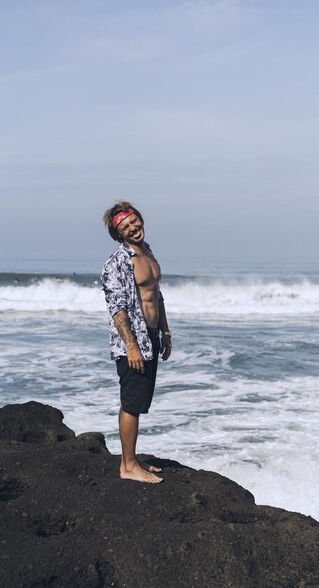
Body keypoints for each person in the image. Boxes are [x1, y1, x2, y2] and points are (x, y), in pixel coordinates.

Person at [101, 201, 172, 484]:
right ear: (119, 234)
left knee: (140, 401)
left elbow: (156, 296)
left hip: (151, 337)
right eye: (125, 226)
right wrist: (130, 345)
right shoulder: (116, 262)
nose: (133, 227)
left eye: (134, 221)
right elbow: (116, 308)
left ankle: (132, 459)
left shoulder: (148, 253)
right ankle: (128, 466)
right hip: (132, 342)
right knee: (131, 402)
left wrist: (165, 332)